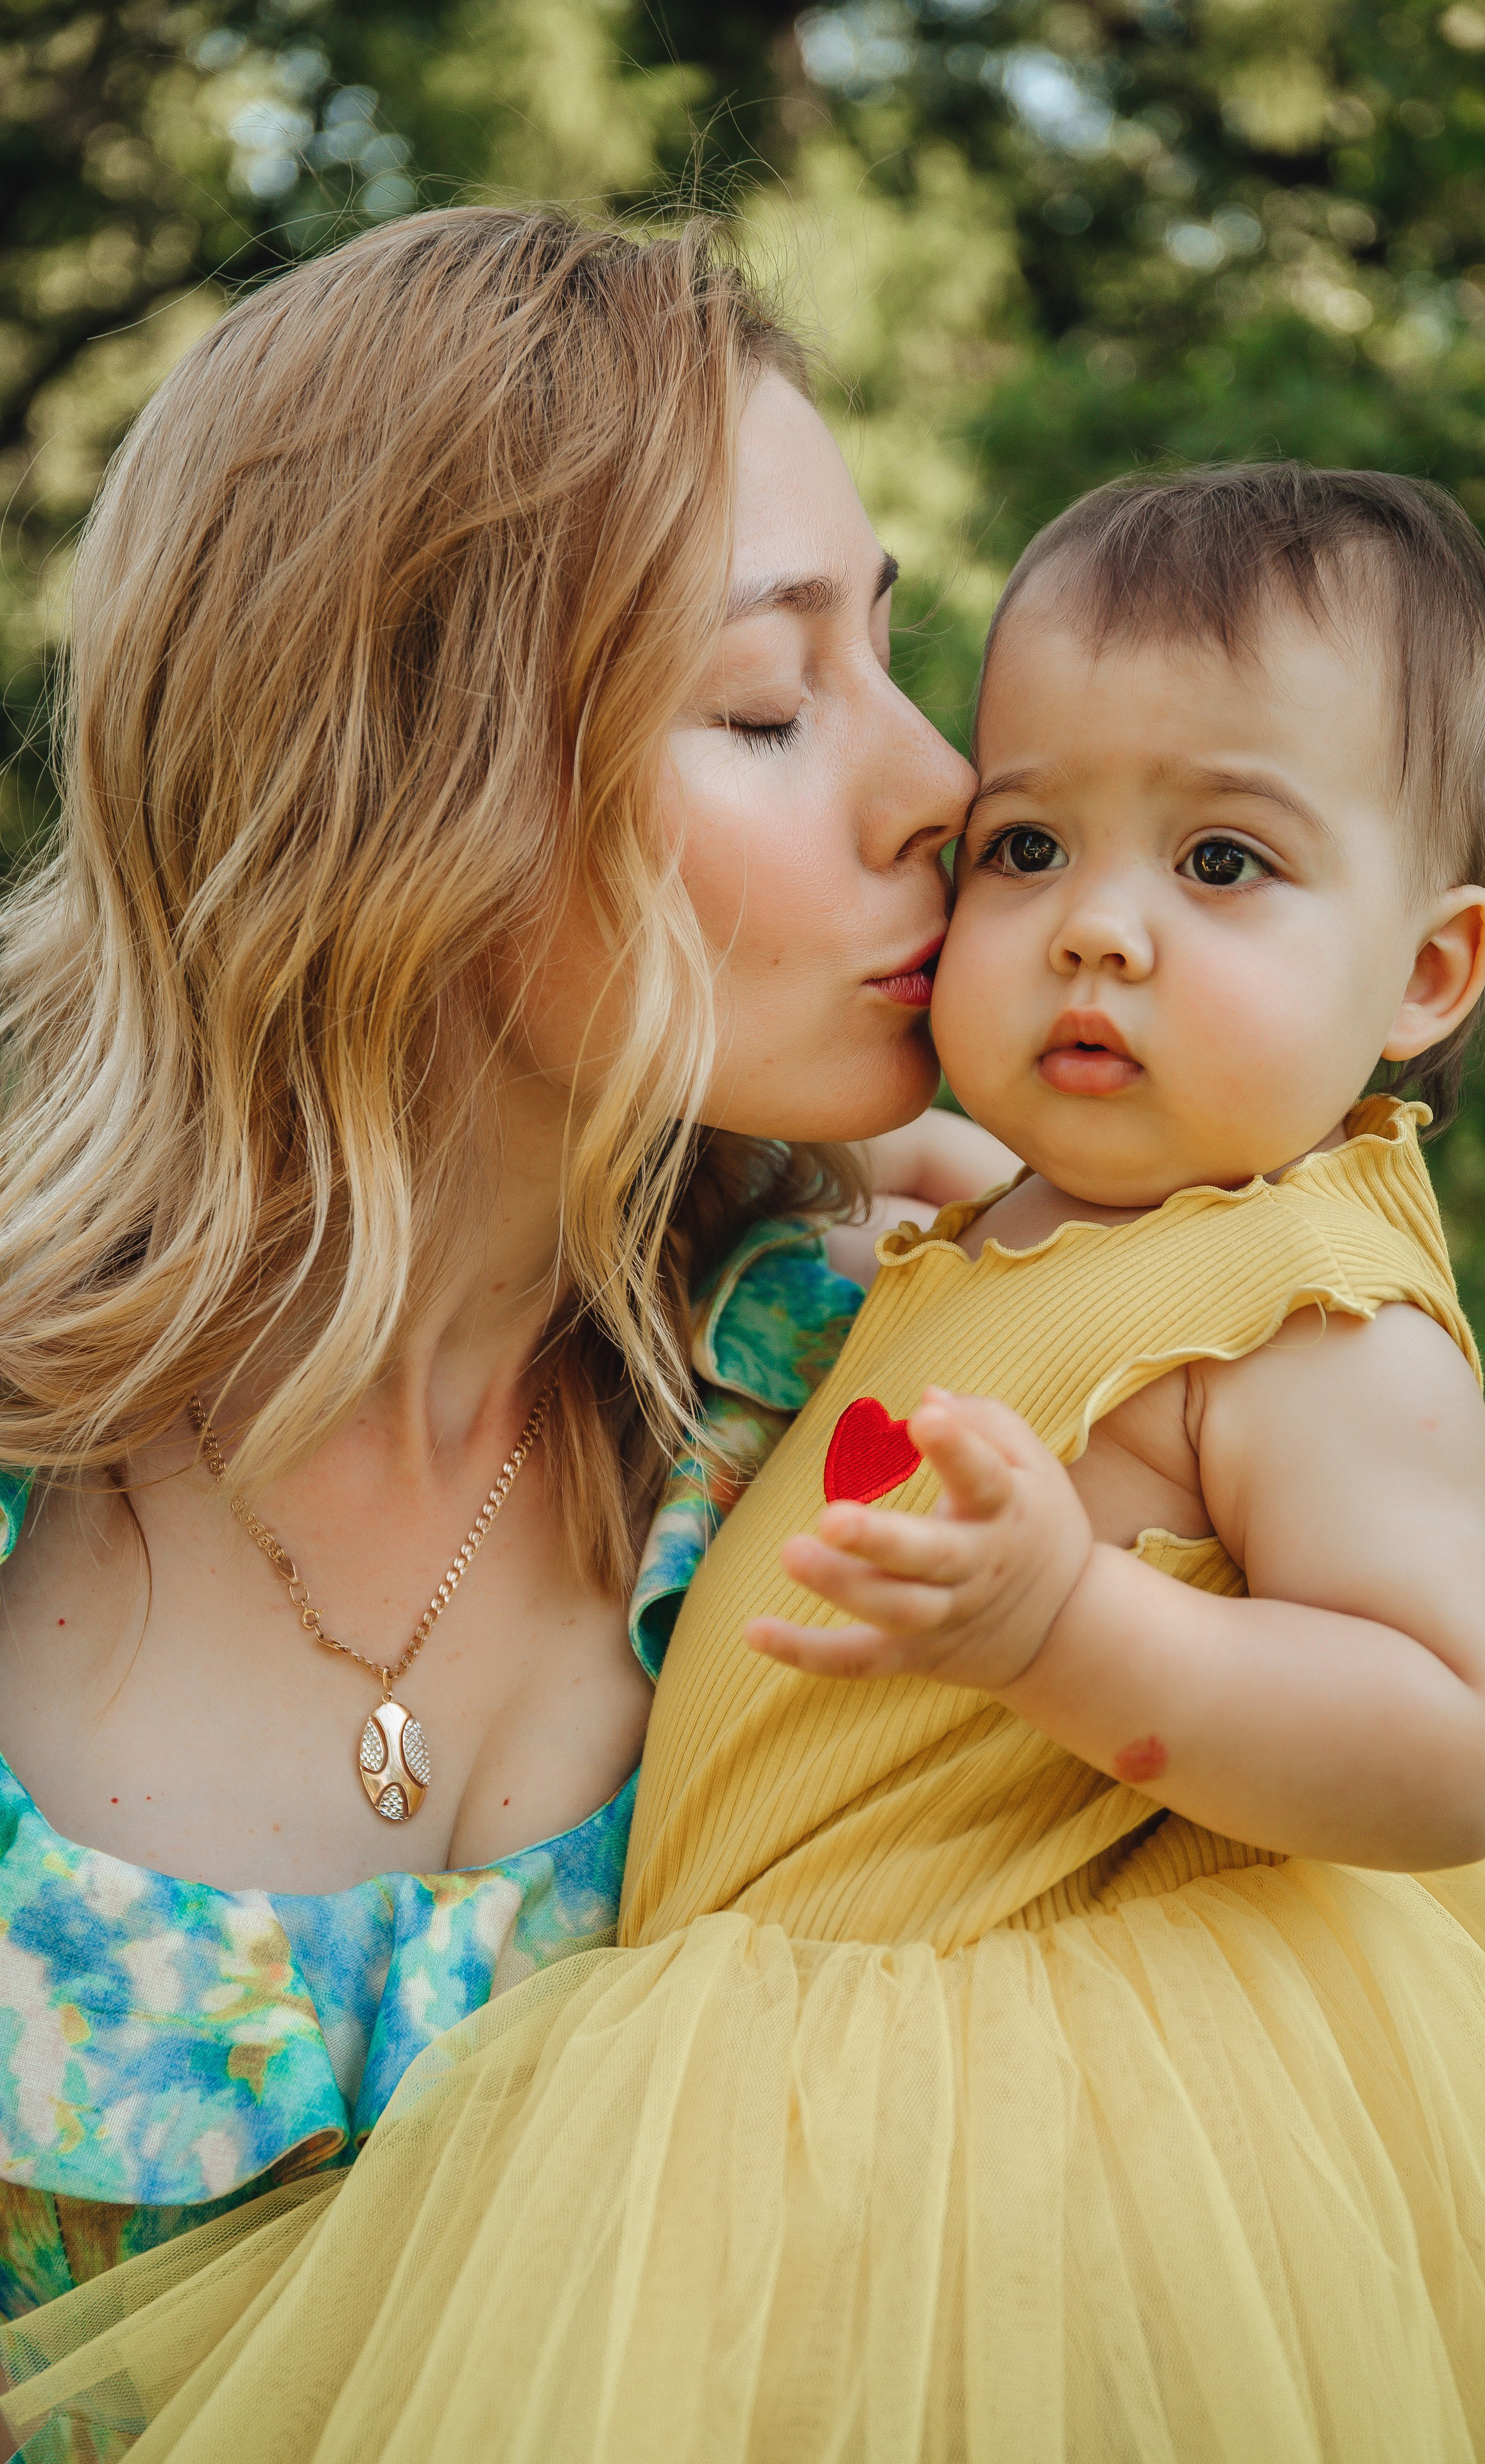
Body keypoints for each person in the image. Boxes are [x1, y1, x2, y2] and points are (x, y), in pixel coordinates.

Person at [10, 471, 1485, 2458]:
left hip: (1001, 2141)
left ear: (1431, 975)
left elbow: (1456, 1743)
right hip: (737, 2116)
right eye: (1034, 842)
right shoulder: (955, 1235)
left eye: (1223, 859)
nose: (1066, 907)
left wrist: (1070, 1629)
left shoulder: (1298, 1307)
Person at [0, 202, 1013, 2391]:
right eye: (766, 702)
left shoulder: (900, 1409)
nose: (943, 784)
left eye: (891, 656)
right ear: (391, 792)